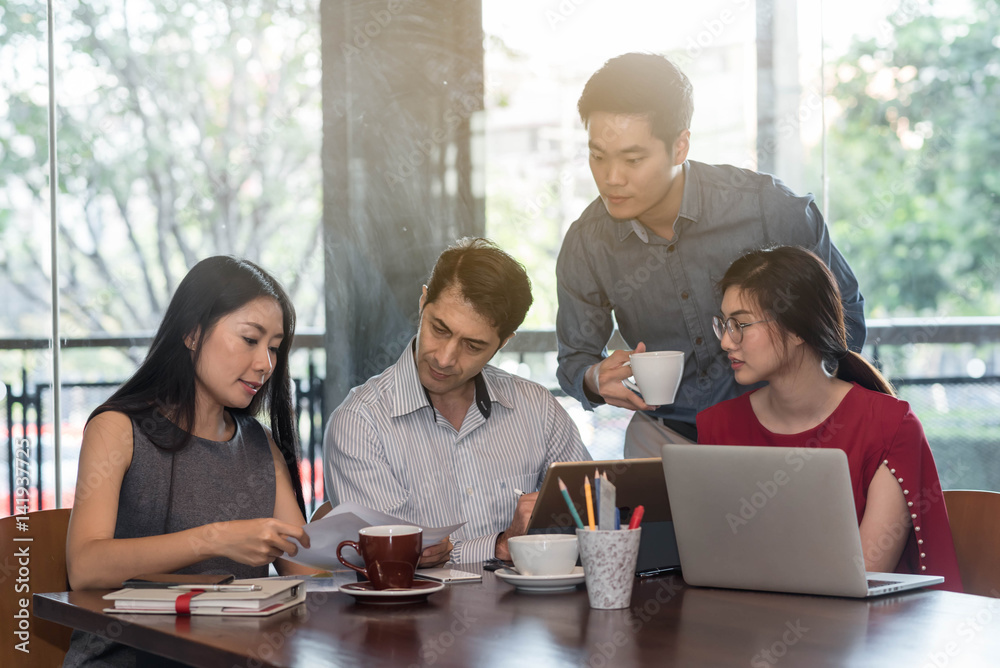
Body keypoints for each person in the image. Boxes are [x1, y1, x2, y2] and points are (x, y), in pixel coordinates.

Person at [556, 52, 866, 458]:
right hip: (665, 435)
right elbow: (574, 360)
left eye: (633, 159)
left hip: (783, 434)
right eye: (598, 156)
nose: (612, 178)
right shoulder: (587, 243)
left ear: (679, 145)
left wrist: (801, 401)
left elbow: (845, 316)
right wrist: (595, 379)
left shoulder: (768, 209)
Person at [64, 256, 319, 667]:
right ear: (193, 333)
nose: (265, 364)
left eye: (274, 348)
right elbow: (85, 566)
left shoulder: (260, 444)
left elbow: (307, 573)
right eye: (251, 340)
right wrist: (216, 538)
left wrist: (358, 551)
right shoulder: (118, 429)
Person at [696, 246, 962, 591]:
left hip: (860, 636)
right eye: (725, 324)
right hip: (746, 630)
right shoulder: (717, 426)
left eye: (742, 325)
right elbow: (713, 564)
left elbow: (864, 575)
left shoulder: (891, 427)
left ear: (797, 330)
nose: (727, 342)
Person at [325, 238, 590, 565]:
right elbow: (390, 560)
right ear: (423, 301)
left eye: (473, 346)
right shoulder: (360, 422)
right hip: (413, 615)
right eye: (439, 328)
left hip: (532, 611)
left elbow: (592, 516)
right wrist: (499, 546)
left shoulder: (537, 408)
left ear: (502, 343)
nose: (445, 358)